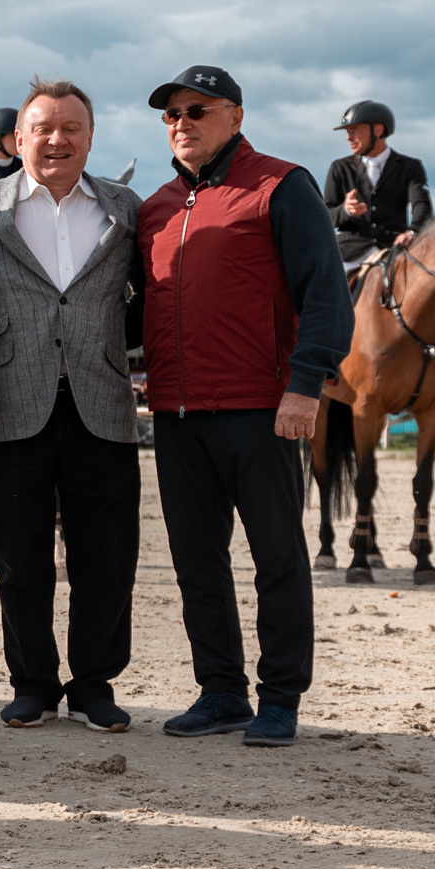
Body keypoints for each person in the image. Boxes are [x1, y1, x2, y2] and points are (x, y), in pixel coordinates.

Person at [138, 65, 353, 748]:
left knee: (277, 557)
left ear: (234, 115)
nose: (182, 123)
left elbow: (325, 292)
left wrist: (306, 383)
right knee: (197, 559)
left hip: (260, 407)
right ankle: (222, 691)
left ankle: (281, 697)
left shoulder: (281, 186)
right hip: (173, 413)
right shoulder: (155, 208)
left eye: (196, 110)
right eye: (170, 114)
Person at [0, 77, 142, 734]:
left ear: (90, 138)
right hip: (10, 401)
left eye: (71, 128)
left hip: (103, 402)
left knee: (107, 556)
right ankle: (31, 682)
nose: (57, 140)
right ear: (20, 137)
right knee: (18, 557)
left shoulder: (126, 209)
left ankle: (94, 684)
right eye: (44, 128)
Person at [323, 100, 431, 276]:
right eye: (348, 132)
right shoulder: (339, 168)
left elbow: (421, 205)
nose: (348, 137)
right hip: (350, 254)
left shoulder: (410, 167)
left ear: (378, 130)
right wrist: (346, 210)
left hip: (393, 248)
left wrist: (413, 231)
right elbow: (326, 215)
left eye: (354, 130)